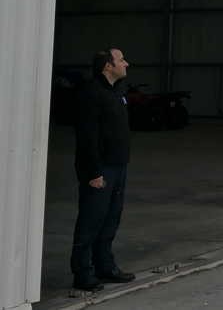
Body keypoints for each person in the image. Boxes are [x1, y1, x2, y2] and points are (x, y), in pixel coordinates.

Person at [71, 49, 136, 292]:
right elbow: (87, 137)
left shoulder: (116, 92)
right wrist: (93, 172)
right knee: (91, 220)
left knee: (110, 219)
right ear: (107, 66)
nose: (126, 63)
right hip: (100, 169)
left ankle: (105, 267)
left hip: (119, 167)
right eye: (121, 60)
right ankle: (83, 273)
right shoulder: (91, 94)